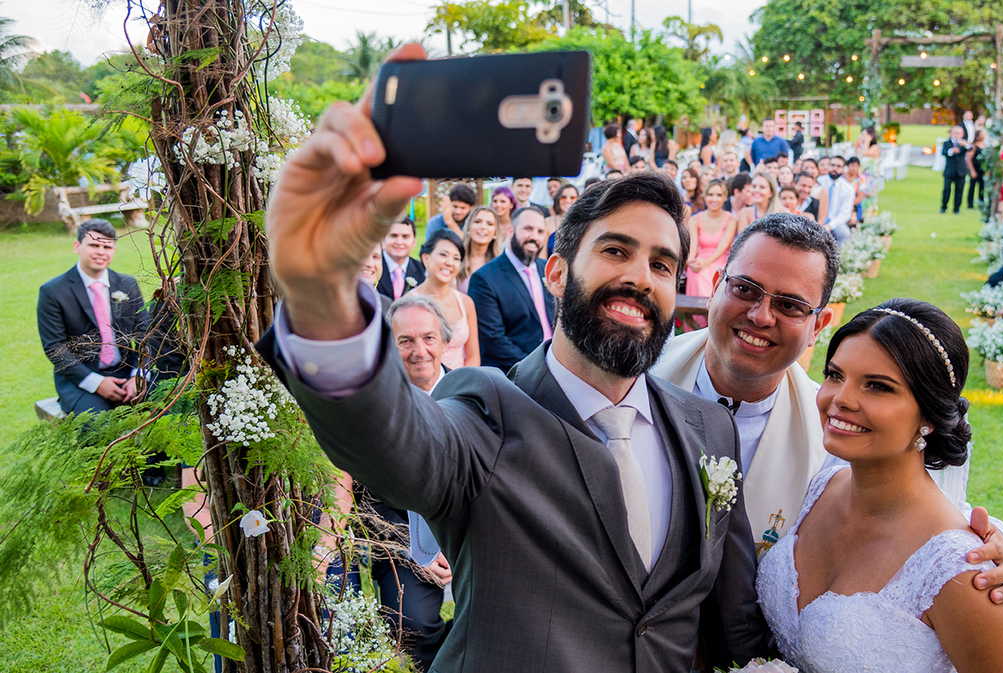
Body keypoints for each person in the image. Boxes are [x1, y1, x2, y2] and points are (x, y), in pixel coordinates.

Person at [259, 68, 768, 670]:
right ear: (556, 273)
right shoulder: (486, 410)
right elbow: (393, 442)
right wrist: (322, 298)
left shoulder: (709, 429)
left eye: (662, 265)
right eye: (614, 251)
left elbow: (729, 620)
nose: (639, 276)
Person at [653, 215, 1003, 624]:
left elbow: (918, 519)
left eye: (790, 305)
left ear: (818, 325)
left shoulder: (837, 440)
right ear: (714, 288)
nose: (761, 316)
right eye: (745, 289)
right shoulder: (634, 379)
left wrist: (1001, 554)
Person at [756, 299, 1003, 673]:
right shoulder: (819, 488)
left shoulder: (964, 571)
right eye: (835, 375)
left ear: (930, 414)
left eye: (877, 387)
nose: (840, 399)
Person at [338, 294, 456, 671]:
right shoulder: (369, 408)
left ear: (444, 341)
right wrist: (415, 550)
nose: (419, 350)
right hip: (401, 539)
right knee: (410, 623)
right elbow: (367, 499)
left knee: (514, 610)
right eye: (405, 341)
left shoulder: (477, 396)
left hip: (473, 539)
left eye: (428, 338)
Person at [37, 218, 150, 415]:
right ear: (77, 246)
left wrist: (138, 375)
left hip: (128, 372)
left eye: (107, 247)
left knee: (163, 416)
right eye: (94, 245)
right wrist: (96, 383)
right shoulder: (53, 291)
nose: (100, 252)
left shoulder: (127, 285)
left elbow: (145, 334)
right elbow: (54, 347)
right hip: (80, 379)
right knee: (98, 427)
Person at [467, 206, 556, 370]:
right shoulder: (485, 278)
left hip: (556, 363)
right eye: (528, 229)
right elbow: (493, 339)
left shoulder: (548, 270)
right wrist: (536, 369)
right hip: (515, 371)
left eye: (540, 231)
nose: (534, 237)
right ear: (510, 231)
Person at [412, 229, 479, 369]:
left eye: (456, 258)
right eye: (443, 255)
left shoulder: (466, 303)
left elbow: (473, 357)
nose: (450, 263)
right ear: (426, 258)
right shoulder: (409, 304)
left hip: (463, 382)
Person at [685, 180, 736, 300]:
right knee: (695, 271)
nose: (714, 199)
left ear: (724, 198)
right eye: (711, 194)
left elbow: (723, 245)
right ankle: (697, 316)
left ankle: (710, 312)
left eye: (719, 195)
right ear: (705, 197)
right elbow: (693, 245)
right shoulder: (695, 219)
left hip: (721, 260)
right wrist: (691, 261)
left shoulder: (731, 219)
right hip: (701, 259)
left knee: (712, 272)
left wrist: (706, 263)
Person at [376, 216, 426, 300]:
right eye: (394, 236)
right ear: (383, 239)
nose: (399, 242)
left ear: (414, 242)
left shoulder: (423, 270)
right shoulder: (372, 266)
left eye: (405, 236)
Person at [457, 206, 500, 293]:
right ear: (469, 227)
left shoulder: (500, 265)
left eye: (489, 224)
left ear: (495, 232)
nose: (483, 227)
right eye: (477, 222)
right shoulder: (456, 259)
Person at [824, 163, 856, 245]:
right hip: (819, 219)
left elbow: (845, 213)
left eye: (838, 166)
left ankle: (839, 256)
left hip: (836, 221)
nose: (834, 168)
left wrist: (830, 225)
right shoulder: (820, 181)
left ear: (843, 169)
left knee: (844, 234)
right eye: (832, 165)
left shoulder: (848, 188)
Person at [941, 125, 969, 214]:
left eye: (958, 133)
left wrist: (966, 145)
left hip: (961, 171)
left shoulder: (963, 144)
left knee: (959, 190)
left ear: (962, 134)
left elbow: (970, 148)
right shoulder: (947, 143)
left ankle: (956, 208)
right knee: (946, 189)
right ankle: (944, 207)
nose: (956, 135)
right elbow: (944, 152)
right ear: (951, 134)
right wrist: (951, 151)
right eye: (955, 133)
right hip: (950, 171)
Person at [545, 182, 579, 247]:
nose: (568, 201)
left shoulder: (583, 223)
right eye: (563, 197)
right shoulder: (547, 223)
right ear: (558, 199)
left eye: (572, 197)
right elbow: (542, 255)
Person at [966, 130, 987, 210]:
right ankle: (970, 203)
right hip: (975, 168)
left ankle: (981, 202)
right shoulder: (973, 146)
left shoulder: (984, 146)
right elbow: (968, 159)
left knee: (982, 186)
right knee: (972, 186)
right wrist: (972, 171)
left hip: (982, 169)